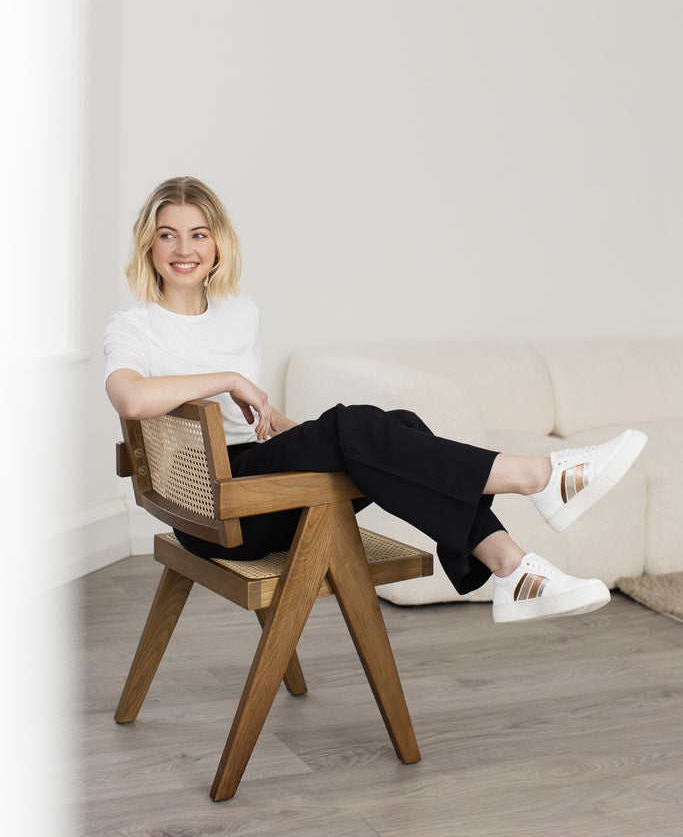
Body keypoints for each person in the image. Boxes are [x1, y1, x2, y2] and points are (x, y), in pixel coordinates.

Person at [104, 177, 647, 624]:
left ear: (218, 243)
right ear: (148, 245)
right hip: (216, 512)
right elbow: (129, 399)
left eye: (198, 234)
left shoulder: (240, 313)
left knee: (394, 425)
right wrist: (226, 378)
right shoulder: (134, 327)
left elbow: (260, 428)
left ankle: (511, 565)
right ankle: (535, 481)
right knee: (352, 425)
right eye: (168, 235)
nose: (184, 249)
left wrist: (301, 432)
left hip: (256, 479)